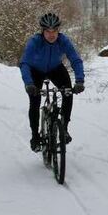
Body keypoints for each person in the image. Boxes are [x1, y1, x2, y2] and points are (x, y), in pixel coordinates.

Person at [20, 13, 86, 152]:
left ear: (58, 30)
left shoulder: (63, 41)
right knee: (35, 100)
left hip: (55, 69)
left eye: (54, 31)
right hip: (36, 71)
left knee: (68, 92)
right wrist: (29, 83)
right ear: (42, 31)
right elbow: (25, 62)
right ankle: (35, 137)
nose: (51, 35)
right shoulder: (35, 41)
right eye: (48, 31)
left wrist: (79, 80)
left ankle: (64, 128)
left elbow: (75, 59)